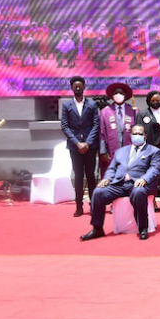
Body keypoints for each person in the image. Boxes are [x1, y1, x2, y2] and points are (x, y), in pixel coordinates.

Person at [80, 125, 160, 241]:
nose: (137, 136)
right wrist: (106, 178)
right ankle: (97, 228)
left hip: (138, 184)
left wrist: (144, 179)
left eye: (140, 134)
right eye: (135, 134)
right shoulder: (121, 151)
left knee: (138, 193)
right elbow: (112, 168)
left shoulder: (154, 151)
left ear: (145, 136)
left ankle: (142, 228)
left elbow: (155, 169)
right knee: (98, 192)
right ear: (131, 135)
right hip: (119, 184)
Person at [61, 76, 100, 217]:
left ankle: (94, 205)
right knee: (78, 176)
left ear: (84, 87)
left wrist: (88, 143)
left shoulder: (92, 104)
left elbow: (96, 124)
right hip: (75, 147)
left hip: (90, 146)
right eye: (75, 86)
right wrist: (77, 143)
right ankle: (79, 206)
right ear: (71, 88)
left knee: (91, 176)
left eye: (80, 86)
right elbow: (65, 126)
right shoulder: (66, 105)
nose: (78, 88)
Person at [136, 91, 160, 211]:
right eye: (153, 100)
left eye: (158, 100)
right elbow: (139, 131)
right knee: (152, 173)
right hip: (150, 148)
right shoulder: (143, 114)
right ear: (148, 101)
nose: (155, 102)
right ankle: (152, 201)